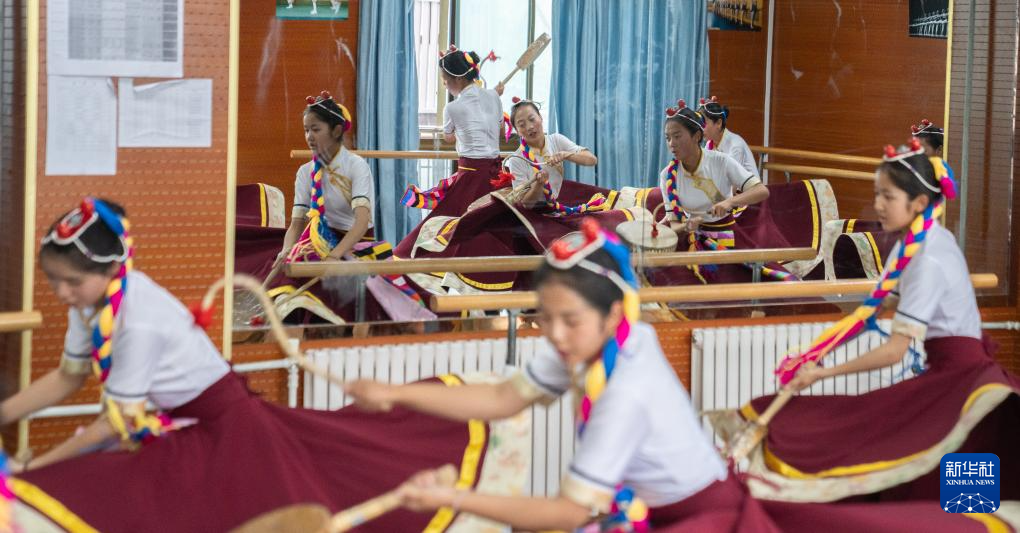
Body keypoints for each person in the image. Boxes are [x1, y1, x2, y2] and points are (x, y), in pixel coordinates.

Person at [5, 198, 484, 532]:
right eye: (54, 281)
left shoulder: (138, 318)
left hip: (227, 435)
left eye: (70, 282)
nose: (61, 293)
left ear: (112, 268)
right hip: (189, 425)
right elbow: (68, 376)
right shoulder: (92, 304)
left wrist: (28, 470)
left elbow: (113, 425)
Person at [347, 220, 779, 531]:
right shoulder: (601, 338)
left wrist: (451, 498)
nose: (554, 334)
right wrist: (395, 393)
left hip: (701, 518)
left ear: (612, 314)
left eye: (569, 320)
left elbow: (568, 512)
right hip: (656, 510)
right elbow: (503, 399)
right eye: (547, 317)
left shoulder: (625, 391)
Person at [732, 139, 1020, 503]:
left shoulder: (927, 258)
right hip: (953, 379)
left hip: (964, 390)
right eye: (877, 194)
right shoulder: (917, 242)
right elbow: (873, 311)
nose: (878, 205)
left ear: (918, 202)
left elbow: (895, 350)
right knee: (924, 486)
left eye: (888, 196)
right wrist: (816, 353)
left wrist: (822, 373)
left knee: (951, 500)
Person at [395, 45, 506, 258]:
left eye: (445, 80)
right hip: (497, 176)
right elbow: (501, 131)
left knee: (454, 225)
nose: (444, 85)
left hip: (471, 176)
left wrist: (464, 132)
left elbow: (448, 137)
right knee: (491, 227)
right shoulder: (493, 96)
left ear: (458, 79)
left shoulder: (453, 108)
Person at [504, 97, 599, 210]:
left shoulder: (556, 140)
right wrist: (538, 185)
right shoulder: (516, 159)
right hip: (533, 213)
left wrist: (566, 155)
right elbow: (526, 205)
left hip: (555, 206)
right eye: (522, 125)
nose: (530, 127)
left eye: (532, 119)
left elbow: (592, 160)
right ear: (517, 131)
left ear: (540, 117)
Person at [699, 95, 760, 183]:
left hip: (749, 190)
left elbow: (731, 185)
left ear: (719, 123)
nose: (700, 128)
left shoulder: (735, 145)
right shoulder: (710, 144)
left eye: (704, 123)